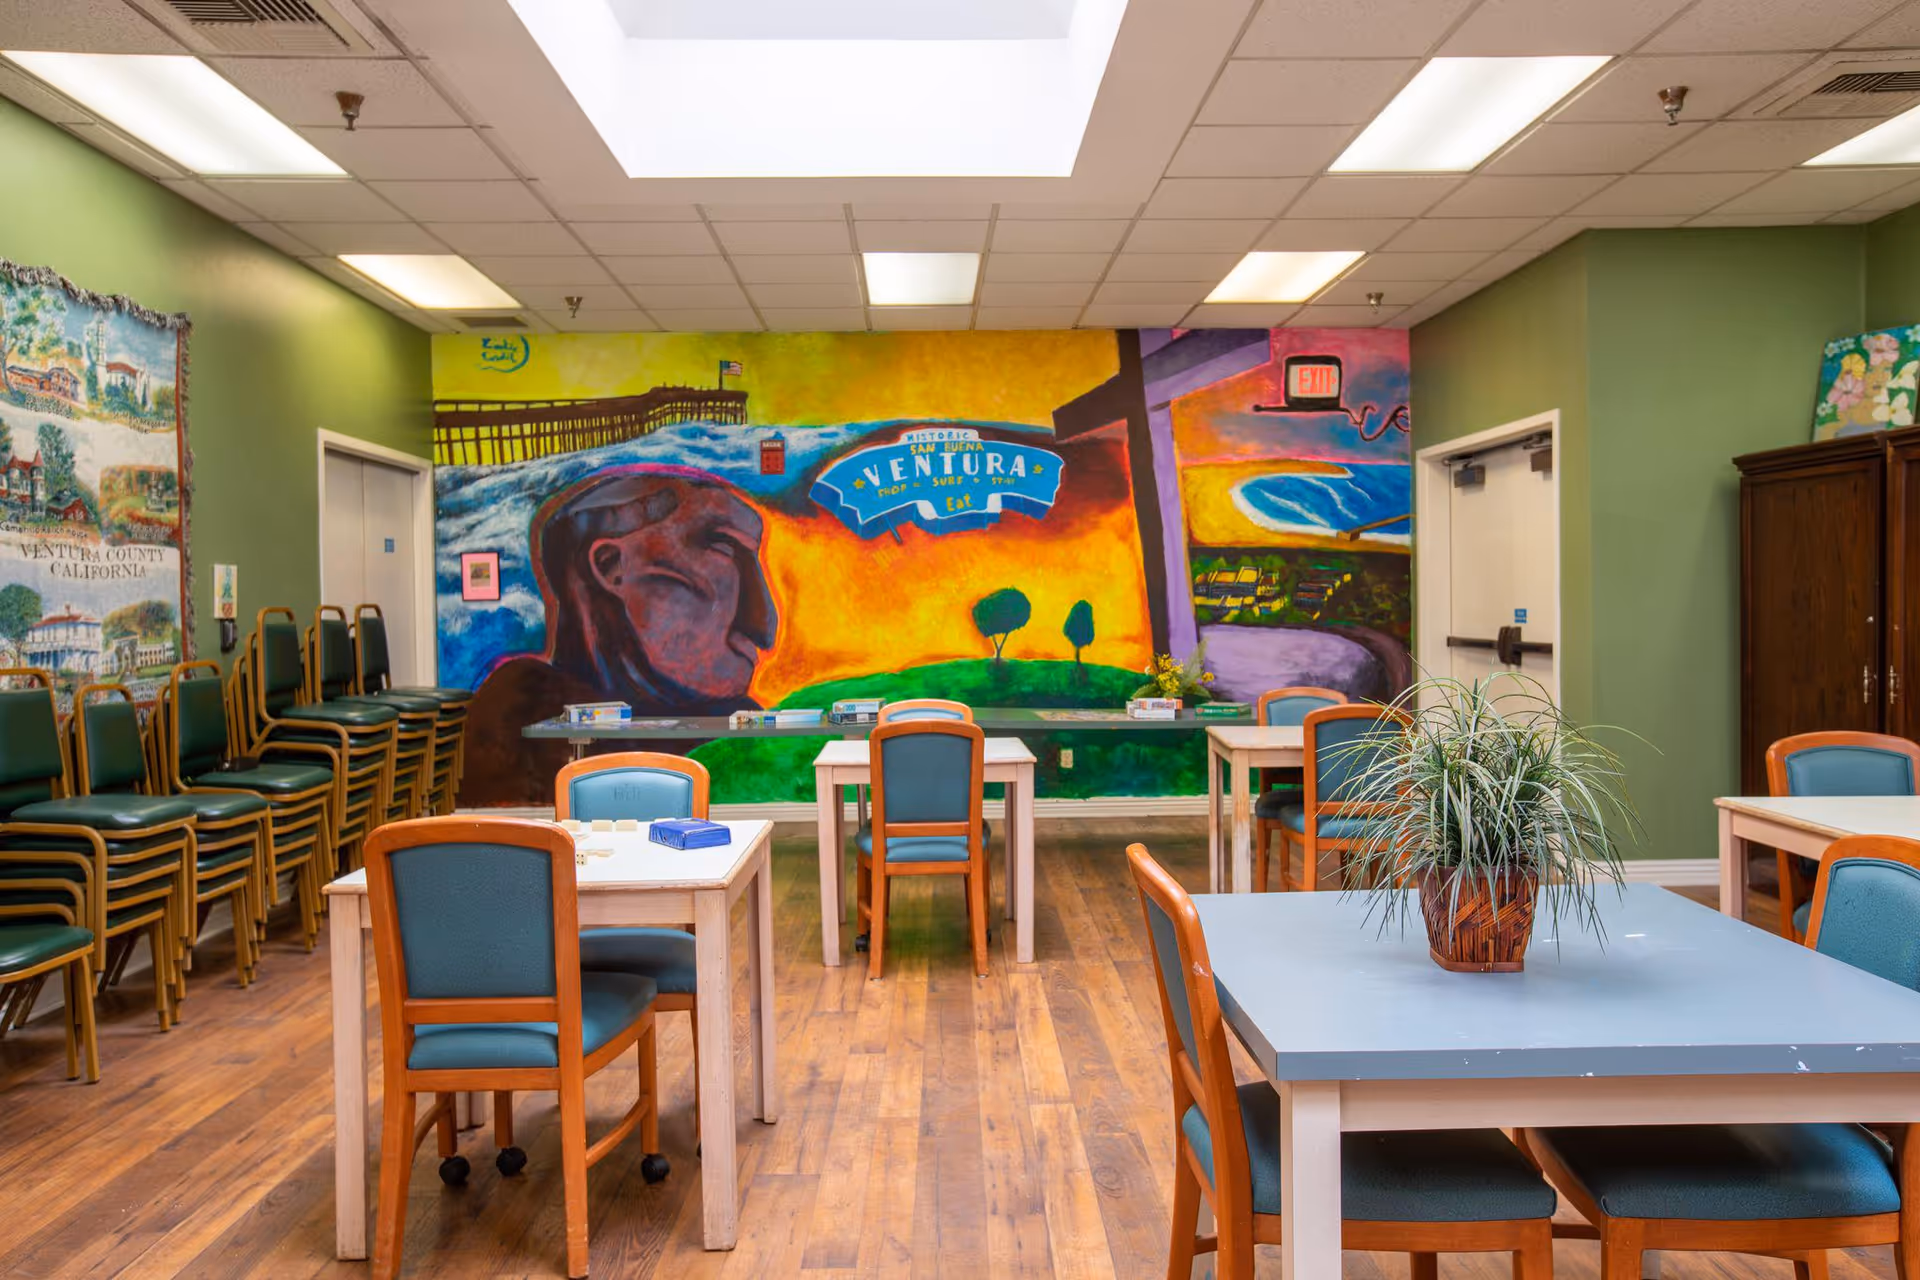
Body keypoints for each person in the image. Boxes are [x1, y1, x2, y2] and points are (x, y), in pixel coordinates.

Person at [463, 468, 777, 804]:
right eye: (724, 547)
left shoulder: (732, 728)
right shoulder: (523, 723)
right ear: (611, 565)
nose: (763, 626)